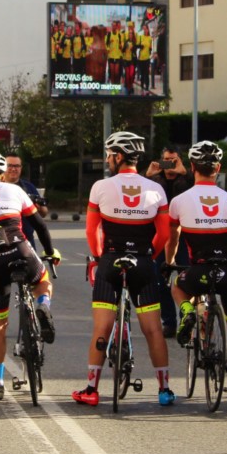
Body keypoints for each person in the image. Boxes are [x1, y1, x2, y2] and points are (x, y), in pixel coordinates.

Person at [73, 131, 174, 407]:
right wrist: (148, 255)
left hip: (110, 261)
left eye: (109, 155)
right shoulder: (156, 189)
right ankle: (164, 390)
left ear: (118, 156)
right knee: (153, 329)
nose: (107, 160)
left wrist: (97, 257)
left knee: (101, 327)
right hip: (142, 261)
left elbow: (92, 230)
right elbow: (163, 235)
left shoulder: (100, 187)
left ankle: (91, 389)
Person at [0, 153, 60, 400]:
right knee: (42, 281)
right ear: (3, 174)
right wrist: (50, 252)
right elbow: (40, 225)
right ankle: (42, 305)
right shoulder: (15, 190)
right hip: (22, 250)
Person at [167, 141, 227, 403]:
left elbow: (174, 239)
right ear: (218, 168)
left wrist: (170, 261)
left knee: (178, 286)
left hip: (200, 271)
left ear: (192, 167)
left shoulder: (179, 201)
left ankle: (186, 311)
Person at [144, 144, 192, 336]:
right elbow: (136, 195)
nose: (169, 164)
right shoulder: (153, 180)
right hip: (160, 236)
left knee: (187, 279)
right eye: (166, 160)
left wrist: (185, 173)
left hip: (185, 237)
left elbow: (200, 189)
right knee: (159, 279)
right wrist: (147, 177)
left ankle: (186, 320)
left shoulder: (187, 179)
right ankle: (169, 322)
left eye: (174, 160)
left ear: (179, 160)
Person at [4, 151, 48, 253]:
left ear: (21, 168)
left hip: (27, 241)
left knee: (33, 269)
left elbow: (44, 213)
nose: (14, 169)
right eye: (10, 165)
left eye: (17, 166)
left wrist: (39, 208)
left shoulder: (29, 187)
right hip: (3, 243)